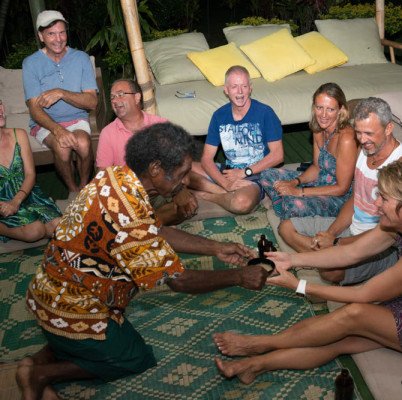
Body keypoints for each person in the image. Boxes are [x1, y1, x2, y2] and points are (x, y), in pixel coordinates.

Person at [16, 122, 268, 400]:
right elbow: (179, 281)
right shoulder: (131, 214)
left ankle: (38, 360)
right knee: (136, 358)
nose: (186, 182)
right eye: (182, 174)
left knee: (102, 341)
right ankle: (41, 375)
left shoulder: (116, 177)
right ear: (156, 169)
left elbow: (154, 230)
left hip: (45, 291)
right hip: (75, 307)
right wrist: (239, 277)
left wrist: (215, 248)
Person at [213, 154, 402, 384]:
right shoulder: (401, 223)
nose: (377, 203)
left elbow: (364, 294)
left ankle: (258, 344)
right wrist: (292, 260)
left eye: (385, 199)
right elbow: (350, 252)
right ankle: (255, 364)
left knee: (353, 315)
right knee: (339, 337)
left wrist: (299, 285)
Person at [280, 97, 402, 286]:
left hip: (379, 244)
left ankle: (326, 265)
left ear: (388, 128)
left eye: (369, 133)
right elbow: (355, 200)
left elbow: (391, 234)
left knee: (330, 270)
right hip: (351, 228)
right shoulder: (365, 150)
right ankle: (325, 260)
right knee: (286, 227)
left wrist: (336, 244)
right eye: (359, 133)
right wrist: (331, 234)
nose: (363, 140)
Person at [96, 78, 197, 225]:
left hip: (160, 192)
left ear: (137, 97)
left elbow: (177, 164)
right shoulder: (108, 133)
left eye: (120, 94)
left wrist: (180, 191)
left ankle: (145, 224)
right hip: (129, 196)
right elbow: (102, 177)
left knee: (187, 205)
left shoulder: (160, 124)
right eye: (112, 97)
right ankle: (146, 223)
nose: (115, 100)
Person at [22, 10, 98, 197]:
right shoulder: (31, 63)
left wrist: (61, 93)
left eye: (61, 32)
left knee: (83, 144)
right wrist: (58, 130)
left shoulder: (81, 58)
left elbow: (92, 102)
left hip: (76, 118)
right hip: (45, 122)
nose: (58, 39)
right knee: (62, 148)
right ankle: (72, 190)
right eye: (51, 34)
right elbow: (34, 108)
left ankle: (83, 187)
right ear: (41, 36)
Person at [189, 65, 284, 214]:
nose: (240, 92)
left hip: (256, 174)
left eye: (244, 86)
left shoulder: (265, 112)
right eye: (234, 87)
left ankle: (207, 195)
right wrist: (225, 183)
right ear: (226, 89)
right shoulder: (219, 115)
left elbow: (278, 155)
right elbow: (207, 159)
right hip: (229, 172)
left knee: (241, 204)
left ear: (250, 88)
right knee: (180, 168)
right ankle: (222, 190)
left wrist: (244, 172)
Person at [260, 83, 358, 220]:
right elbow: (316, 167)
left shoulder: (347, 139)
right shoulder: (318, 128)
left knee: (295, 205)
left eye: (330, 109)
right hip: (318, 183)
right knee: (267, 174)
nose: (323, 115)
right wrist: (294, 182)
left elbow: (342, 188)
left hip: (338, 197)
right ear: (314, 106)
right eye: (319, 107)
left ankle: (286, 207)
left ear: (341, 109)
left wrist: (300, 192)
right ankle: (284, 206)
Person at [0, 99, 61, 242]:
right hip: (2, 202)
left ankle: (34, 225)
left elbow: (30, 175)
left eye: (0, 104)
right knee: (35, 231)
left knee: (59, 226)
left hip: (27, 194)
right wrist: (7, 205)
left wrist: (16, 201)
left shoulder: (18, 135)